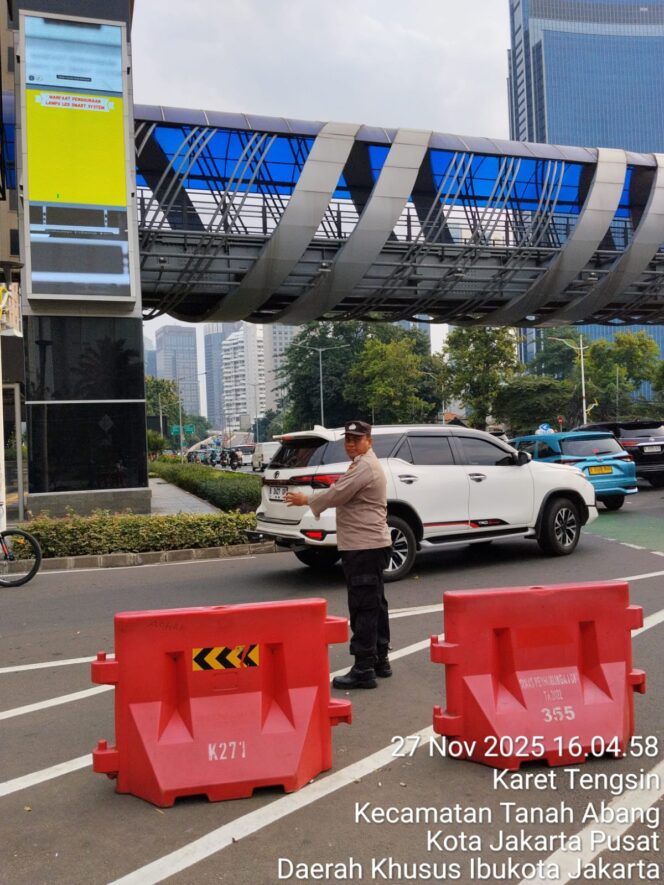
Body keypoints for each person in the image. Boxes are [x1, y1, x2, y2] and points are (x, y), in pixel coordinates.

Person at [285, 420, 392, 689]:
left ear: (369, 440)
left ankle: (364, 668)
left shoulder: (365, 466)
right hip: (369, 544)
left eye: (356, 439)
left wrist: (306, 500)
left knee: (363, 607)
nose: (350, 444)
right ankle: (380, 660)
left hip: (364, 545)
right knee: (375, 604)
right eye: (347, 439)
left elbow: (338, 494)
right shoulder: (362, 463)